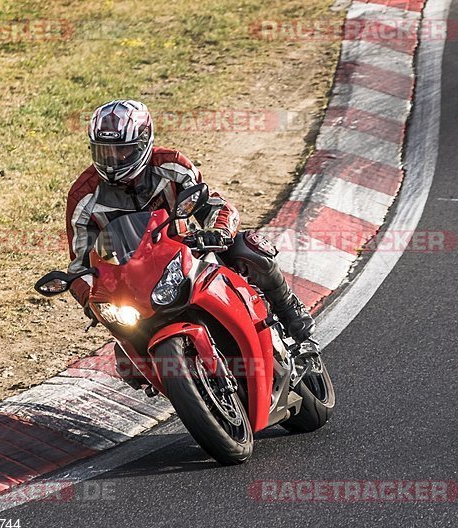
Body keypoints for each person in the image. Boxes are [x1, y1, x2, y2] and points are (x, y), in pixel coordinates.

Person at [65, 100, 316, 388]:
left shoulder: (171, 164)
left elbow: (215, 205)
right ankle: (177, 384)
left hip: (189, 254)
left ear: (144, 141)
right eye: (104, 151)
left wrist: (218, 231)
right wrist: (90, 298)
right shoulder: (84, 195)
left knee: (248, 248)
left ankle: (290, 313)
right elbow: (79, 265)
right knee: (126, 358)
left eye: (123, 149)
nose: (114, 159)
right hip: (134, 284)